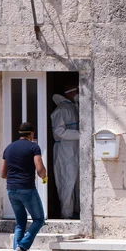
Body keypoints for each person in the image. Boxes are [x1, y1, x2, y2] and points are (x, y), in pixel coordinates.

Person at [2, 122, 47, 251]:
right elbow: (39, 168)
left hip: (11, 189)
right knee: (39, 219)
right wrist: (44, 176)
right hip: (26, 188)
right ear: (31, 134)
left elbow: (3, 173)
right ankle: (22, 247)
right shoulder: (34, 147)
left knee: (20, 223)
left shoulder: (8, 148)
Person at [50, 87, 79, 219]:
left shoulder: (72, 107)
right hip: (64, 150)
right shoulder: (62, 109)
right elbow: (59, 131)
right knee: (67, 181)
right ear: (70, 92)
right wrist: (81, 135)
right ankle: (66, 214)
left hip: (72, 148)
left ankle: (75, 211)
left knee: (74, 181)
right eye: (76, 90)